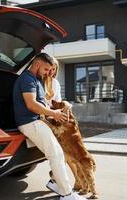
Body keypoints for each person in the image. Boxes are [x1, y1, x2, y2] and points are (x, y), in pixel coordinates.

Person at [13, 53, 86, 200]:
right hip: (30, 122)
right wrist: (54, 114)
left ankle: (55, 183)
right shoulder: (27, 78)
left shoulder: (37, 79)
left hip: (38, 121)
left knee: (58, 153)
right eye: (47, 69)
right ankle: (66, 194)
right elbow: (32, 104)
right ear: (37, 64)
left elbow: (43, 102)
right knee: (56, 154)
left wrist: (58, 110)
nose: (49, 73)